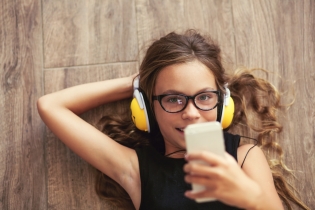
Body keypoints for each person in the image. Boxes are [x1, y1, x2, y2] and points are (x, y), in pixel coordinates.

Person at [37, 30, 309, 210]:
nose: (191, 113)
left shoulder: (244, 157)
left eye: (203, 97)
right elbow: (51, 106)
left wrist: (249, 196)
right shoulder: (136, 170)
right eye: (173, 99)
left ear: (222, 102)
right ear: (146, 108)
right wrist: (138, 84)